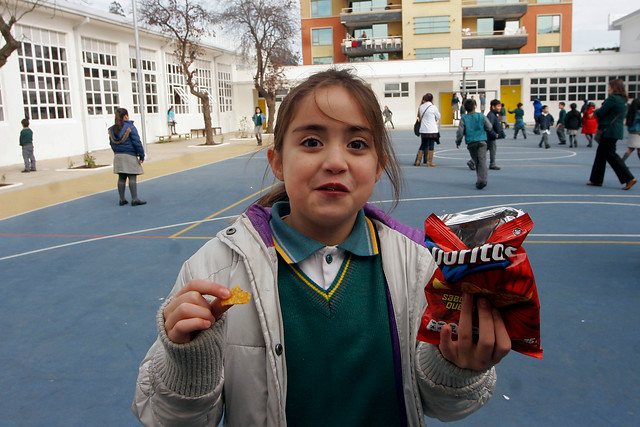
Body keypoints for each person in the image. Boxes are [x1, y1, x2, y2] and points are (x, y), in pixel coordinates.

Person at [132, 69, 510, 425]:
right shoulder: (214, 272)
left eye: (357, 144)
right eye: (312, 142)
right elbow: (164, 416)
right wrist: (187, 367)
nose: (334, 161)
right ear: (278, 161)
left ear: (378, 166)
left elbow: (443, 404)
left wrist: (456, 367)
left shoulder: (419, 267)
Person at [587, 79, 636, 190]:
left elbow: (602, 111)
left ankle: (629, 178)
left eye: (609, 87)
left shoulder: (613, 99)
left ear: (614, 87)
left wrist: (594, 113)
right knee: (601, 154)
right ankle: (596, 179)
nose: (608, 89)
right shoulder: (623, 100)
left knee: (611, 155)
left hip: (608, 130)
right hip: (615, 130)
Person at [109, 108, 146, 206]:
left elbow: (111, 144)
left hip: (118, 155)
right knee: (132, 177)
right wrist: (141, 155)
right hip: (129, 154)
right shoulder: (130, 128)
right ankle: (134, 199)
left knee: (121, 177)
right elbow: (137, 142)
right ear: (126, 116)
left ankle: (122, 199)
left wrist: (117, 152)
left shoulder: (112, 129)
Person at [456, 98, 494, 189]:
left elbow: (460, 132)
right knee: (482, 161)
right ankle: (482, 180)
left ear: (465, 108)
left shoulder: (464, 118)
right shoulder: (481, 116)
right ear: (475, 106)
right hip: (482, 140)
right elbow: (489, 127)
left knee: (477, 161)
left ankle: (480, 180)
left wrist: (458, 142)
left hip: (471, 142)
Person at [415, 93, 441, 167]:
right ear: (432, 99)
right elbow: (438, 116)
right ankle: (429, 162)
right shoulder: (433, 107)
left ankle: (418, 161)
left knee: (423, 145)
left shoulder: (421, 107)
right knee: (431, 145)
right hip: (432, 129)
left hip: (423, 129)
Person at [622, 98, 640, 163]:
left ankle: (622, 161)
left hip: (631, 132)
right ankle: (621, 162)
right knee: (635, 148)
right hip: (638, 132)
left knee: (632, 148)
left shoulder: (631, 112)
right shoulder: (638, 113)